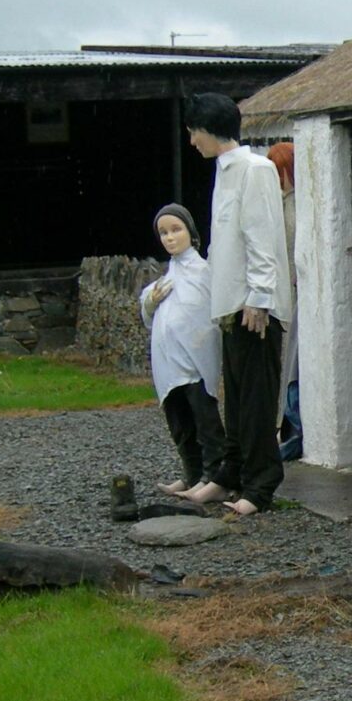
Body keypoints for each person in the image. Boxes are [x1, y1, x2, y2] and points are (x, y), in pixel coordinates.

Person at [186, 93, 292, 516]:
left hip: (254, 307)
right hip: (231, 304)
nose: (192, 141)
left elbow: (261, 235)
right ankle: (230, 474)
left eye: (194, 132)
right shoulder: (224, 171)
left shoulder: (256, 169)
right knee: (236, 398)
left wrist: (260, 297)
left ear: (209, 128)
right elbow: (226, 242)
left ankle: (261, 485)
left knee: (257, 402)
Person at [140, 202, 227, 500]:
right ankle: (192, 474)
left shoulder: (203, 273)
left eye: (176, 230)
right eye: (163, 232)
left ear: (190, 231)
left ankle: (213, 476)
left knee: (204, 420)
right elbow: (147, 309)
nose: (169, 237)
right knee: (180, 423)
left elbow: (210, 314)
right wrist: (151, 301)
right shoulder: (167, 277)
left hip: (195, 363)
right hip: (169, 365)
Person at [267, 139, 303, 462]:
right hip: (287, 290)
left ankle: (291, 429)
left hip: (299, 288)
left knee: (294, 360)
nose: (282, 180)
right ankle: (287, 428)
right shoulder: (278, 205)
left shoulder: (299, 203)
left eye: (283, 172)